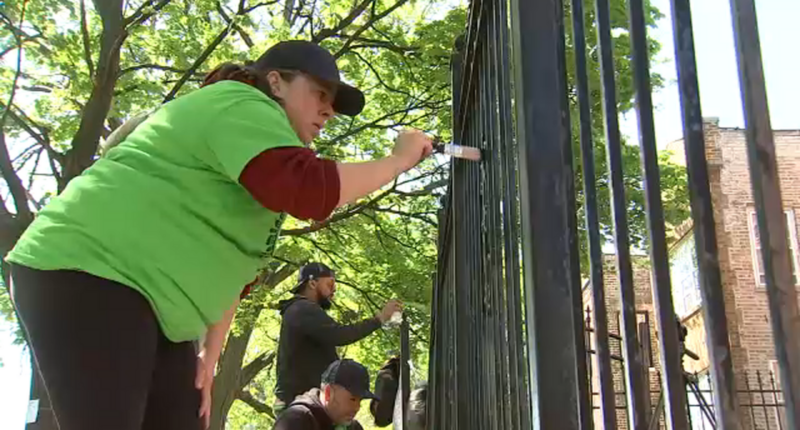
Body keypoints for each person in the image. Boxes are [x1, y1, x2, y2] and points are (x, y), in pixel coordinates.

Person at [5, 40, 433, 430]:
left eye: (333, 104)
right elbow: (308, 189)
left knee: (186, 415)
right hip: (90, 270)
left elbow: (235, 271)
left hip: (154, 304)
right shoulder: (241, 103)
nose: (329, 111)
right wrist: (398, 161)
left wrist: (209, 356)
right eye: (320, 94)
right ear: (275, 82)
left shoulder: (261, 169)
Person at [274, 262, 402, 412]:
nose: (334, 289)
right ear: (312, 283)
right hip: (299, 403)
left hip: (303, 401)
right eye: (330, 284)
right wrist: (379, 319)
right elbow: (340, 335)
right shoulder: (302, 309)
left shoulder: (301, 310)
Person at [273, 359, 376, 430]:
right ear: (328, 393)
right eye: (352, 399)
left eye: (360, 400)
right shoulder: (295, 421)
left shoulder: (353, 428)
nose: (357, 407)